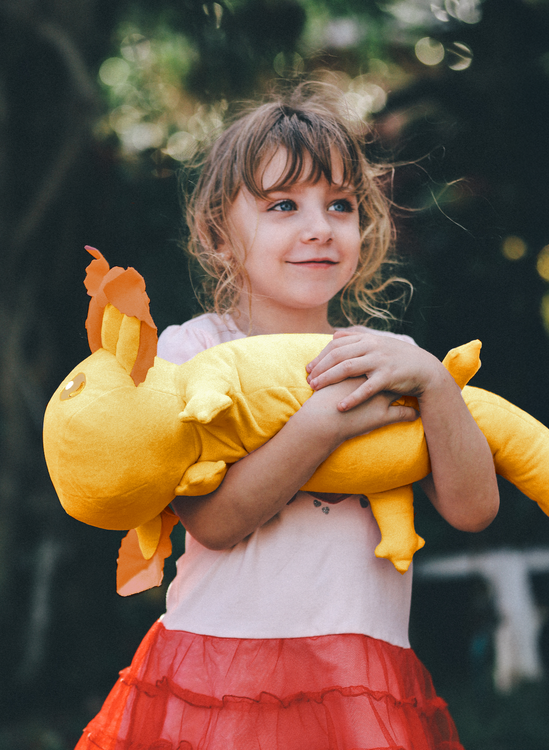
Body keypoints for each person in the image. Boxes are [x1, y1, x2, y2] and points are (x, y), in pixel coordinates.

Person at [75, 83, 499, 750]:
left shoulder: (385, 362)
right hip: (222, 676)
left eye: (340, 205)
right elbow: (212, 522)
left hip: (361, 685)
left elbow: (473, 509)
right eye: (283, 205)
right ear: (219, 235)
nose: (318, 228)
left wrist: (436, 387)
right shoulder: (194, 355)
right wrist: (325, 423)